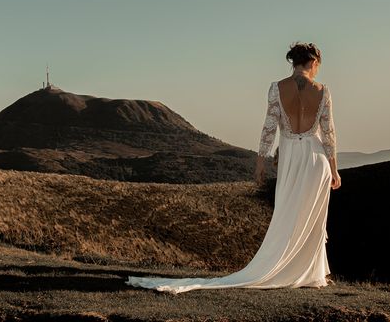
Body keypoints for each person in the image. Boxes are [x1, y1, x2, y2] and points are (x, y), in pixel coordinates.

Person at [125, 41, 341, 293]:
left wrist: (260, 162)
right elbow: (328, 134)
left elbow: (269, 128)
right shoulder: (323, 90)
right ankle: (310, 274)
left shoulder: (277, 88)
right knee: (311, 217)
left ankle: (298, 271)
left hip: (292, 157)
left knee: (287, 214)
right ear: (313, 63)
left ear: (294, 61)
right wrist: (334, 169)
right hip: (316, 160)